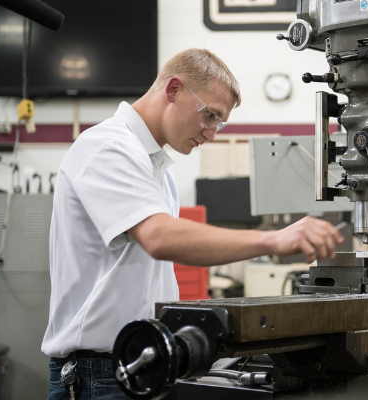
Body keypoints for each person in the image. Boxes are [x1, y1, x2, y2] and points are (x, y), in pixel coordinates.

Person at [42, 48, 344, 399]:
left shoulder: (157, 169)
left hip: (145, 359)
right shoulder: (106, 146)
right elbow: (159, 237)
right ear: (173, 90)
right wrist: (273, 240)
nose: (212, 133)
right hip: (101, 373)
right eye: (210, 115)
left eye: (220, 122)